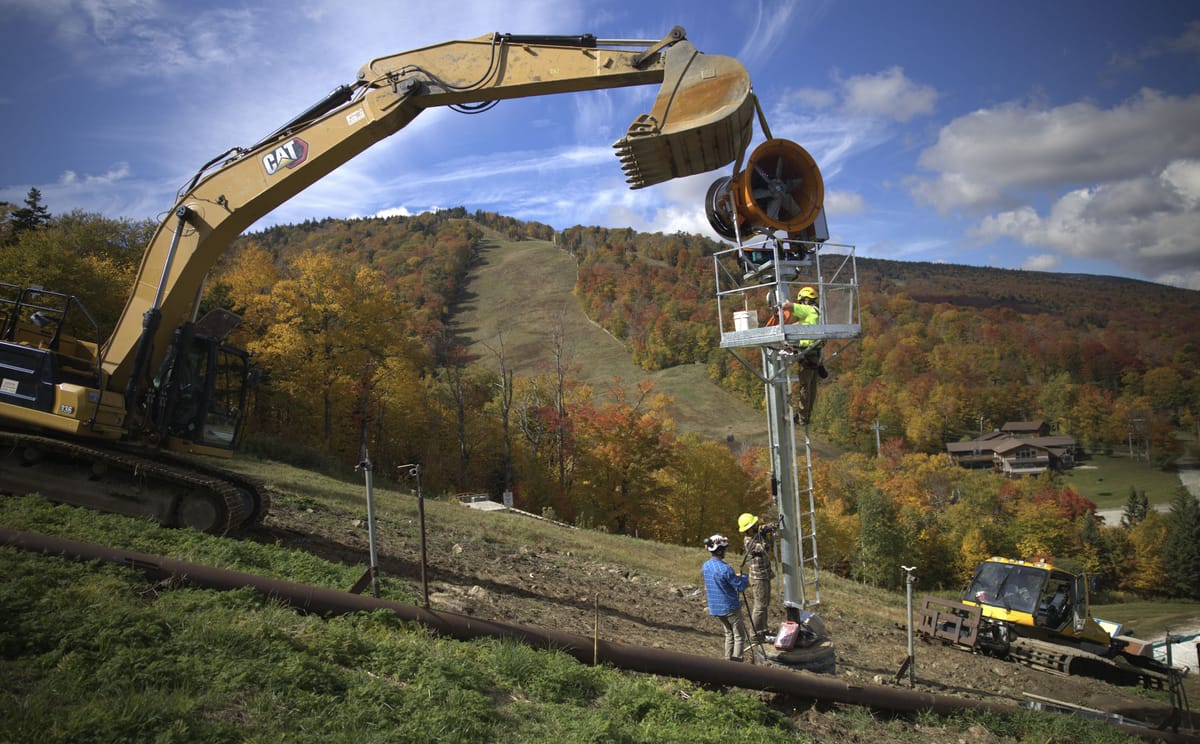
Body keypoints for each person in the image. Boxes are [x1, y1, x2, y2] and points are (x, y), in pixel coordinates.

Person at [765, 286, 826, 425]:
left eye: (801, 302)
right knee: (811, 387)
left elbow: (787, 305)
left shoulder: (808, 309)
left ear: (805, 301)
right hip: (816, 353)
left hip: (808, 353)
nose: (800, 304)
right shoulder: (816, 313)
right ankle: (807, 415)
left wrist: (778, 307)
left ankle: (802, 418)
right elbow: (801, 323)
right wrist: (789, 327)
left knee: (805, 387)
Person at [701, 534, 749, 662]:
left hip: (715, 608)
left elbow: (720, 580)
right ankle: (737, 662)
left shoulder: (705, 566)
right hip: (730, 607)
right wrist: (744, 577)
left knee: (729, 634)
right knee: (739, 636)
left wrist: (734, 576)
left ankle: (727, 661)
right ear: (721, 550)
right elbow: (740, 587)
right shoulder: (726, 569)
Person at [738, 513, 776, 641]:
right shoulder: (749, 541)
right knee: (759, 606)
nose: (756, 525)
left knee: (764, 604)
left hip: (764, 574)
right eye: (754, 525)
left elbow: (769, 546)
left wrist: (768, 529)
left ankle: (763, 630)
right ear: (748, 528)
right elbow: (763, 547)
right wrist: (764, 533)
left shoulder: (756, 535)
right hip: (758, 577)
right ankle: (754, 633)